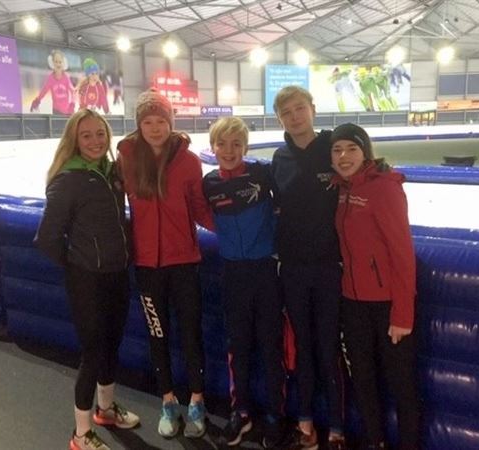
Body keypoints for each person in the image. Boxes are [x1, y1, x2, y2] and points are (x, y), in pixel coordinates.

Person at [34, 109, 139, 450]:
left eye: (100, 134)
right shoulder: (69, 179)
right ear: (74, 140)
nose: (95, 141)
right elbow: (47, 238)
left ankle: (105, 410)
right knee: (93, 353)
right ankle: (81, 434)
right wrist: (78, 265)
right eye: (86, 135)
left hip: (117, 274)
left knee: (111, 346)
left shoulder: (111, 172)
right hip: (87, 281)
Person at [117, 89, 214, 439]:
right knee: (157, 334)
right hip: (147, 266)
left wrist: (237, 230)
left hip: (183, 262)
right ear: (139, 125)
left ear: (171, 123)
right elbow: (113, 204)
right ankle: (168, 400)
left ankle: (197, 400)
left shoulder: (188, 161)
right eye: (148, 122)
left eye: (161, 121)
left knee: (190, 332)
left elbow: (200, 208)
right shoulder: (127, 158)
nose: (155, 128)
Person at [330, 123, 420, 450]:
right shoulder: (340, 189)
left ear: (365, 152)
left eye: (351, 149)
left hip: (387, 306)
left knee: (402, 386)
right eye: (337, 150)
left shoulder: (385, 188)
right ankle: (375, 442)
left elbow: (402, 254)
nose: (344, 156)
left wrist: (402, 314)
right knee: (363, 381)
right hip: (353, 303)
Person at [202, 117, 287, 448]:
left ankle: (276, 416)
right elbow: (201, 213)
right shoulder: (209, 183)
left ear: (246, 147)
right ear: (213, 148)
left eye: (236, 144)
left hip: (265, 271)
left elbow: (285, 206)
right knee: (237, 346)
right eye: (222, 144)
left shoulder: (262, 173)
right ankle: (242, 413)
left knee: (270, 345)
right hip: (233, 273)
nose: (229, 150)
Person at [271, 85, 346, 450]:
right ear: (280, 120)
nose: (295, 117)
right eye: (287, 112)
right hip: (294, 270)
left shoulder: (334, 148)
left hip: (329, 267)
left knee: (329, 346)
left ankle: (337, 429)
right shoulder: (279, 158)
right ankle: (305, 424)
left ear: (313, 110)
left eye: (300, 108)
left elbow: (363, 172)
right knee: (301, 346)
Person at [30, 49, 75, 115]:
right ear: (52, 63)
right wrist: (37, 100)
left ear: (63, 63)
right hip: (56, 111)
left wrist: (72, 104)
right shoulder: (50, 78)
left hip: (67, 111)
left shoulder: (66, 77)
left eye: (60, 62)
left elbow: (73, 91)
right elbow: (44, 91)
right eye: (56, 62)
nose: (58, 64)